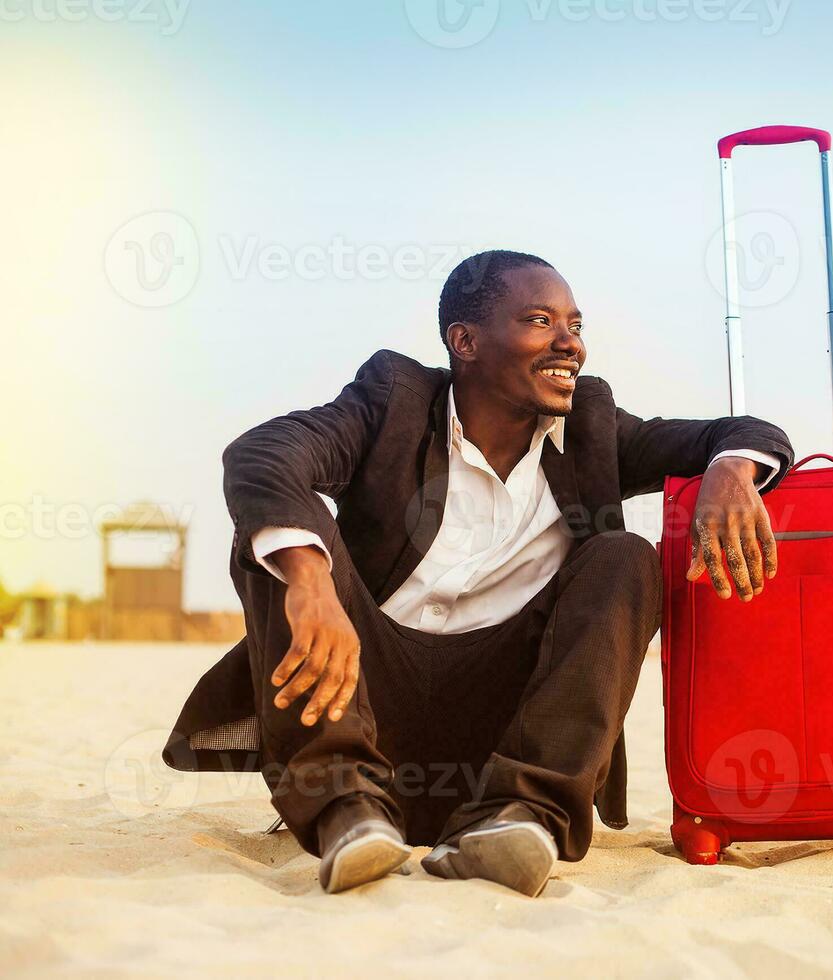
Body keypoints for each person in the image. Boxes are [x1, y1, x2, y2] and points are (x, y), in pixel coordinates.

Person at [163, 250, 793, 895]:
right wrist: (311, 583)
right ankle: (345, 815)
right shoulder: (393, 402)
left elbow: (741, 431)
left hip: (503, 754)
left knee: (624, 556)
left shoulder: (591, 425)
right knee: (281, 538)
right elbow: (265, 453)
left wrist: (728, 468)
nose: (569, 344)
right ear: (464, 341)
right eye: (540, 321)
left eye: (576, 326)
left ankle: (522, 819)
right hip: (362, 716)